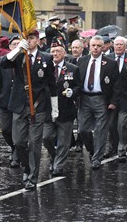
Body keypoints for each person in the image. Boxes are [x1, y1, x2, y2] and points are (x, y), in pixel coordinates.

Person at [1, 30, 57, 190]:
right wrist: (18, 48)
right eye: (26, 38)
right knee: (18, 142)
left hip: (38, 107)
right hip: (19, 105)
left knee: (34, 143)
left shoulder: (46, 58)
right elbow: (3, 63)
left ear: (38, 40)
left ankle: (32, 178)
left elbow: (52, 84)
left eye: (32, 38)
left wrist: (54, 108)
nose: (29, 41)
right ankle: (26, 167)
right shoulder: (18, 55)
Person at [77, 35, 120, 170]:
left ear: (103, 47)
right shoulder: (82, 61)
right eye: (93, 45)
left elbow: (116, 85)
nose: (95, 48)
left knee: (101, 130)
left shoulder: (111, 63)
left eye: (98, 46)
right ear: (88, 46)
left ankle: (97, 158)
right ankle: (92, 150)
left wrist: (113, 101)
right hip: (84, 98)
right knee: (83, 130)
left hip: (101, 98)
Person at [43, 37, 81, 176]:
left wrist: (73, 92)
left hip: (65, 109)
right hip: (48, 109)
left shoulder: (73, 69)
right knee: (46, 138)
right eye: (53, 51)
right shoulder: (45, 67)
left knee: (64, 141)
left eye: (58, 51)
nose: (55, 54)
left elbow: (78, 87)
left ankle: (59, 165)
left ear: (64, 53)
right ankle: (54, 157)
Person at [105, 36, 127, 162]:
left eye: (121, 44)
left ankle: (122, 148)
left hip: (126, 98)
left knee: (123, 124)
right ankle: (112, 147)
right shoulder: (107, 59)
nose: (118, 47)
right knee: (111, 125)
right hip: (111, 99)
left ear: (126, 46)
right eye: (116, 44)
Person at [0, 37, 22, 168]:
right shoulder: (2, 61)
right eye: (13, 44)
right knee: (5, 129)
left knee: (17, 131)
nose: (16, 46)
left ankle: (16, 154)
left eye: (18, 44)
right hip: (5, 99)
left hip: (19, 101)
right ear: (9, 47)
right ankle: (14, 147)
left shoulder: (23, 60)